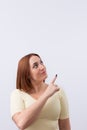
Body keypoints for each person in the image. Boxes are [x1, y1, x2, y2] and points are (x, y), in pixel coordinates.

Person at [10, 53, 71, 130]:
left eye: (41, 62)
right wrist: (46, 95)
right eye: (35, 66)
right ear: (27, 74)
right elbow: (21, 123)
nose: (42, 67)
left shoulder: (58, 91)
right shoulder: (17, 94)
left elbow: (65, 127)